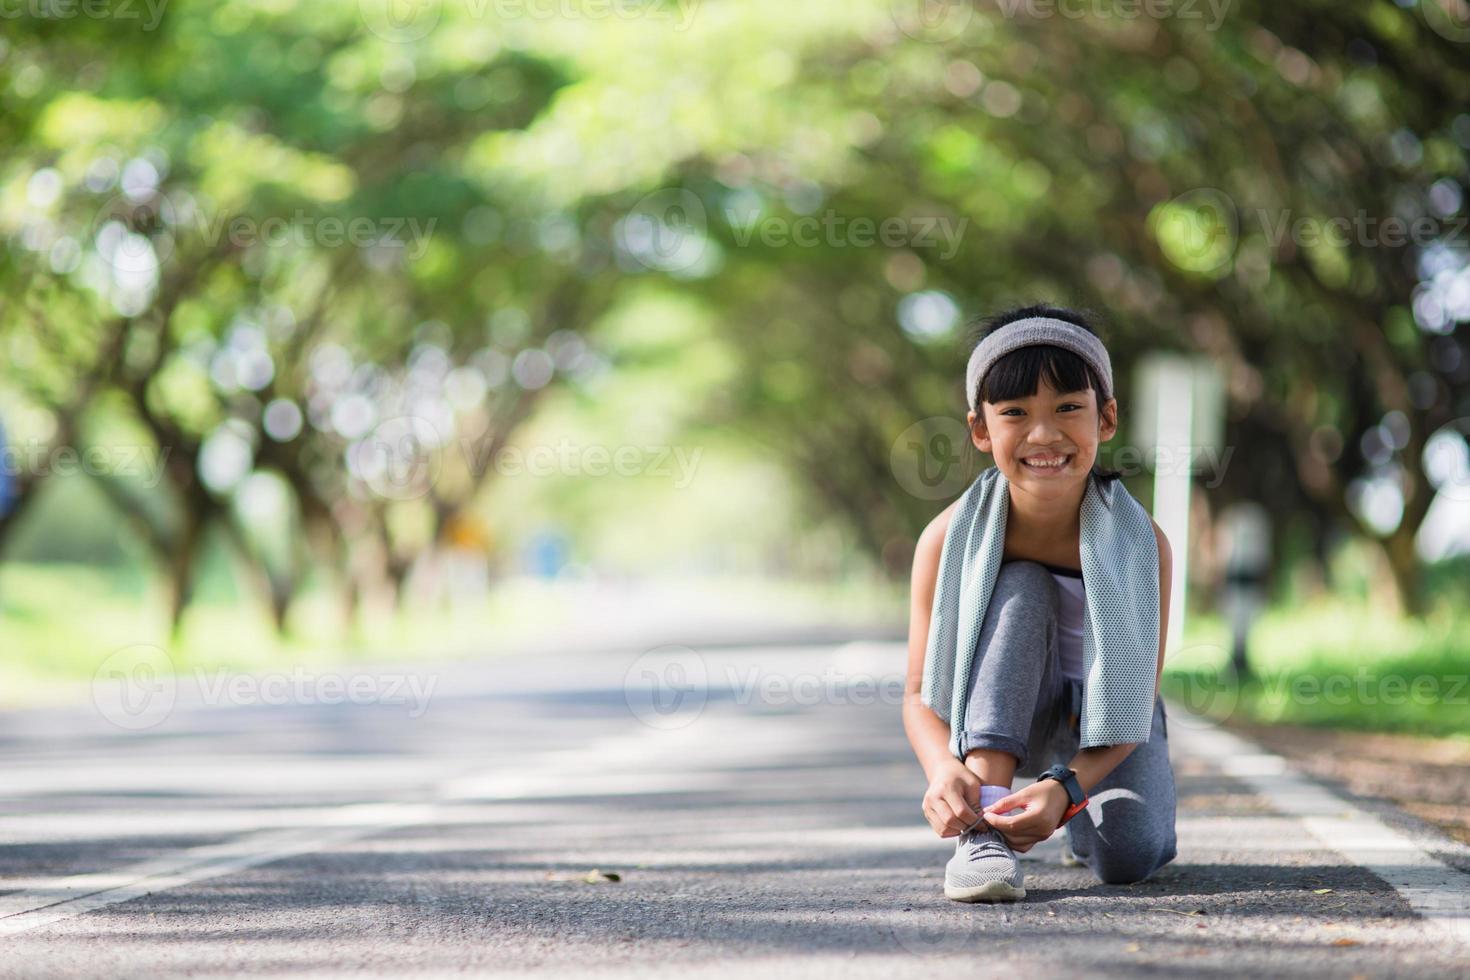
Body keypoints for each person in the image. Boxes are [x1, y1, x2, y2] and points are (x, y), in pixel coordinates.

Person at [902, 304, 1179, 903]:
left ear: (1105, 418)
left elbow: (1140, 696)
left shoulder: (1145, 545)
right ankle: (986, 831)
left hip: (1109, 723)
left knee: (1130, 855)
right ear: (981, 431)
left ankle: (1069, 817)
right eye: (1015, 414)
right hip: (1005, 714)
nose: (1044, 434)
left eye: (1067, 409)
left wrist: (1067, 788)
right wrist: (944, 771)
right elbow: (917, 696)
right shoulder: (947, 538)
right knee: (1023, 585)